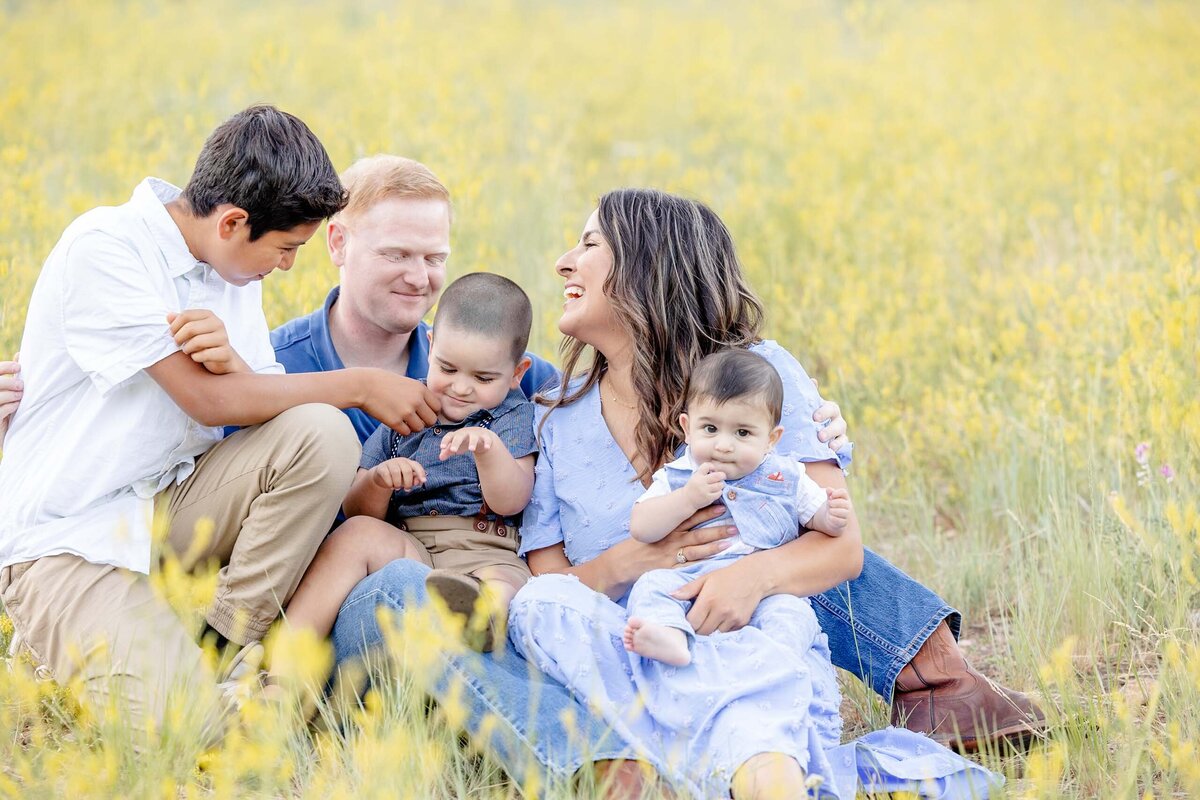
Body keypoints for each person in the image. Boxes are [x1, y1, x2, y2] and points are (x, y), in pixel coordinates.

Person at [507, 189, 1003, 798]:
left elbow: (840, 551)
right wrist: (630, 564)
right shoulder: (557, 419)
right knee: (538, 609)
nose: (563, 262)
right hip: (638, 659)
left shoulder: (755, 374)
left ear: (646, 265)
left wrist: (751, 579)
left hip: (752, 644)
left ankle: (914, 685)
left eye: (589, 244)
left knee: (769, 607)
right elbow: (549, 583)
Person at [0, 107, 441, 745]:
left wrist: (234, 364)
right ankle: (67, 651)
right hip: (70, 536)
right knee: (190, 738)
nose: (288, 266)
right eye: (286, 247)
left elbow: (266, 405)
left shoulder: (234, 269)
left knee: (322, 435)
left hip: (169, 510)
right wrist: (362, 385)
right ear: (233, 222)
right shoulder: (106, 246)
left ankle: (223, 642)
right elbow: (208, 403)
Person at [280, 272, 537, 653]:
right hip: (410, 545)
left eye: (483, 377)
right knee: (355, 536)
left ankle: (480, 620)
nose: (461, 387)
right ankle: (284, 664)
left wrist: (489, 451)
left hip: (484, 549)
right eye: (447, 369)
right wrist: (379, 482)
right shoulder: (406, 410)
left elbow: (512, 500)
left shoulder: (511, 416)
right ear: (430, 347)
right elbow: (355, 509)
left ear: (517, 373)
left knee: (508, 583)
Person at [624, 348, 852, 666]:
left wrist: (832, 516)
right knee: (651, 587)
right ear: (687, 428)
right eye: (710, 429)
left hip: (764, 590)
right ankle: (670, 637)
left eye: (742, 433)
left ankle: (774, 659)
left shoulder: (784, 475)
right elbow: (641, 526)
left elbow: (815, 518)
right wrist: (687, 499)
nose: (723, 444)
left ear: (771, 439)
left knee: (793, 612)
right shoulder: (680, 475)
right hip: (688, 581)